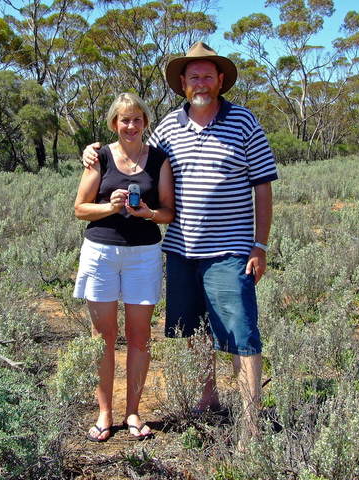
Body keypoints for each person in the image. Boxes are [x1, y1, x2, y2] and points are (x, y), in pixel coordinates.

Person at [83, 43, 278, 439]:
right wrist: (93, 151)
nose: (201, 83)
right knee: (193, 333)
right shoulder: (170, 126)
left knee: (241, 335)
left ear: (221, 81)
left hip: (231, 250)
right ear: (183, 85)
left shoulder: (244, 122)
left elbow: (263, 186)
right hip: (181, 250)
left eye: (208, 76)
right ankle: (207, 402)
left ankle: (251, 426)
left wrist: (260, 246)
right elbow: (136, 154)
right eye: (194, 77)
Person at [73, 92, 174, 442]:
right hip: (100, 252)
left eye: (136, 119)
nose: (130, 126)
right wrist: (110, 208)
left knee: (139, 337)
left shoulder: (159, 160)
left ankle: (133, 411)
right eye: (124, 120)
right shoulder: (99, 156)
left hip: (143, 255)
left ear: (145, 122)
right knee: (102, 337)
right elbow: (80, 208)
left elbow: (168, 213)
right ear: (114, 124)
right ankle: (104, 413)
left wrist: (147, 214)